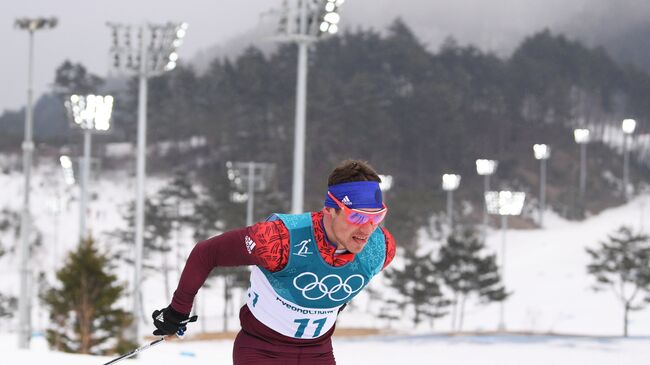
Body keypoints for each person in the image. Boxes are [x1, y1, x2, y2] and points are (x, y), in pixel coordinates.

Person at [151, 159, 396, 364]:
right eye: (357, 216)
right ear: (330, 209)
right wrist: (177, 312)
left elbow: (337, 288)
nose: (367, 228)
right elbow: (206, 253)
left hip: (318, 354)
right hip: (261, 351)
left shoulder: (380, 248)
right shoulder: (278, 240)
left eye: (377, 217)